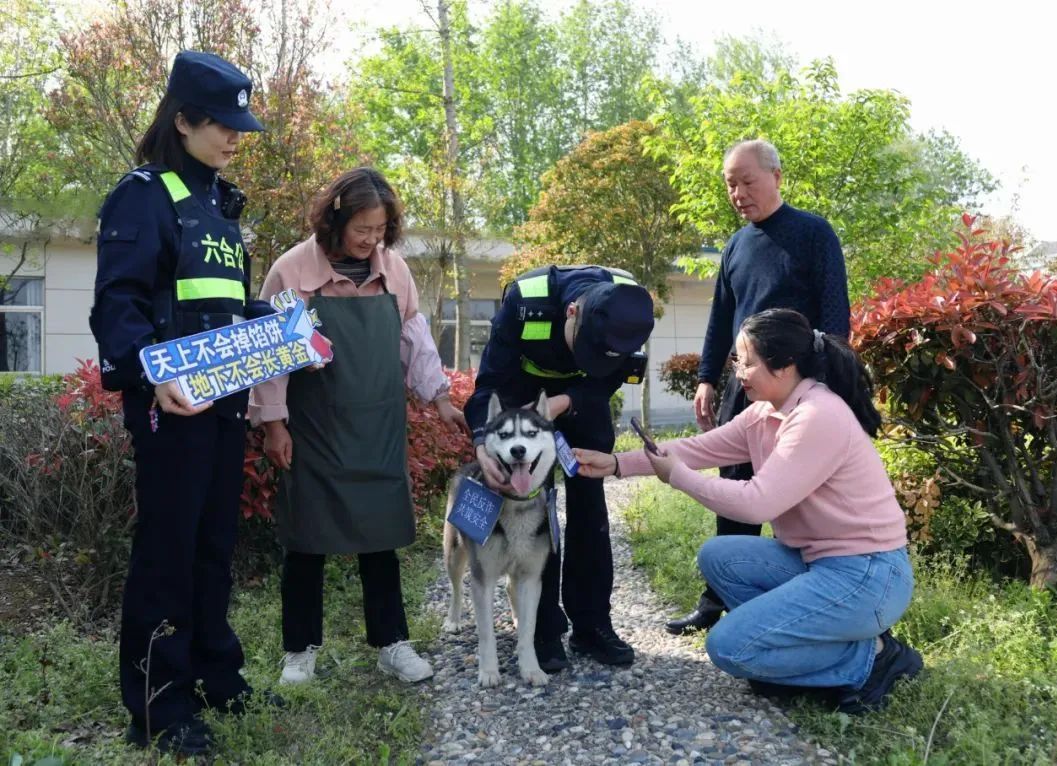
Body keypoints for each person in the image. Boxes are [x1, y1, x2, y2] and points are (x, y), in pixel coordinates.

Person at [575, 309, 922, 713]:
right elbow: (698, 449)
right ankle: (805, 650)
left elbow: (759, 502)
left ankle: (874, 659)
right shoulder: (767, 411)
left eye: (747, 360)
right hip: (819, 563)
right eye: (737, 359)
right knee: (720, 557)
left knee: (729, 647)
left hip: (869, 575)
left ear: (785, 365)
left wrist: (679, 478)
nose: (737, 369)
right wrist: (617, 464)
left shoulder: (817, 416)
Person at [90, 51, 276, 756]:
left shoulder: (221, 206)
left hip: (224, 401)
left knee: (214, 548)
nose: (235, 138)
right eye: (222, 125)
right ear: (183, 120)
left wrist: (279, 324)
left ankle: (211, 673)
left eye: (239, 126)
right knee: (167, 554)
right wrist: (148, 371)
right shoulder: (144, 195)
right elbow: (121, 303)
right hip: (171, 406)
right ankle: (157, 703)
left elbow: (213, 304)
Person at [249, 167, 469, 686]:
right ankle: (299, 652)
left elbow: (415, 341)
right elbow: (271, 357)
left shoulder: (394, 271)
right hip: (313, 428)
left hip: (378, 425)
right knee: (305, 542)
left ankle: (393, 644)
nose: (372, 240)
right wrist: (274, 424)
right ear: (336, 219)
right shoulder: (292, 272)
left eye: (380, 231)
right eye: (362, 229)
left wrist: (439, 397)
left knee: (381, 538)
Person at [669, 138, 852, 636]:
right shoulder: (735, 245)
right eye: (730, 183)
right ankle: (717, 598)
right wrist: (708, 376)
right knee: (735, 489)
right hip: (744, 386)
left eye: (746, 180)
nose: (738, 192)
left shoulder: (814, 234)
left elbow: (836, 316)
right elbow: (720, 318)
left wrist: (825, 385)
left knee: (801, 495)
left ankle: (808, 595)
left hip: (801, 391)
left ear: (776, 176)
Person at [466, 265, 654, 672]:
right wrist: (483, 441)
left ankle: (592, 625)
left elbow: (614, 375)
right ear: (571, 312)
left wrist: (568, 400)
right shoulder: (525, 301)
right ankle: (544, 630)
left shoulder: (631, 307)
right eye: (580, 345)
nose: (578, 355)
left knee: (590, 510)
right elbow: (489, 383)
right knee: (536, 511)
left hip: (584, 401)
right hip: (522, 401)